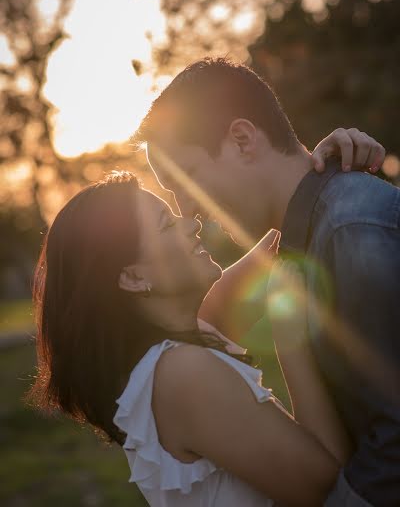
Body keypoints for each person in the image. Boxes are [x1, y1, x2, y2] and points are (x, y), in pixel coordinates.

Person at [133, 57, 400, 507]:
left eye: (189, 180)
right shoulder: (309, 238)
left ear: (241, 139)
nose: (189, 212)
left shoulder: (350, 230)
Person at [31, 161, 372, 507]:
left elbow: (281, 232)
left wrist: (325, 167)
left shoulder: (180, 340)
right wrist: (291, 337)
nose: (190, 223)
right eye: (166, 224)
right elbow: (323, 487)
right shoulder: (182, 373)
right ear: (133, 278)